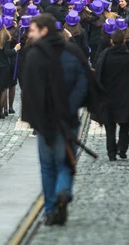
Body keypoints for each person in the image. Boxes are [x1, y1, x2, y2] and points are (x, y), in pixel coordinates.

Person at [21, 14, 88, 226]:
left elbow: (29, 89)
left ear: (44, 30)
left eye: (32, 30)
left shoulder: (36, 55)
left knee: (48, 166)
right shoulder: (73, 51)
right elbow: (83, 82)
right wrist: (70, 108)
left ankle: (50, 208)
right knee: (65, 163)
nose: (29, 34)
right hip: (67, 120)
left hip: (46, 121)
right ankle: (64, 190)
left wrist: (34, 117)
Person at [95, 29, 129, 160]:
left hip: (108, 96)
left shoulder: (105, 56)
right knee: (125, 125)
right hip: (126, 96)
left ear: (111, 41)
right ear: (124, 40)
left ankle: (111, 153)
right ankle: (122, 149)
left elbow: (98, 75)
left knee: (110, 127)